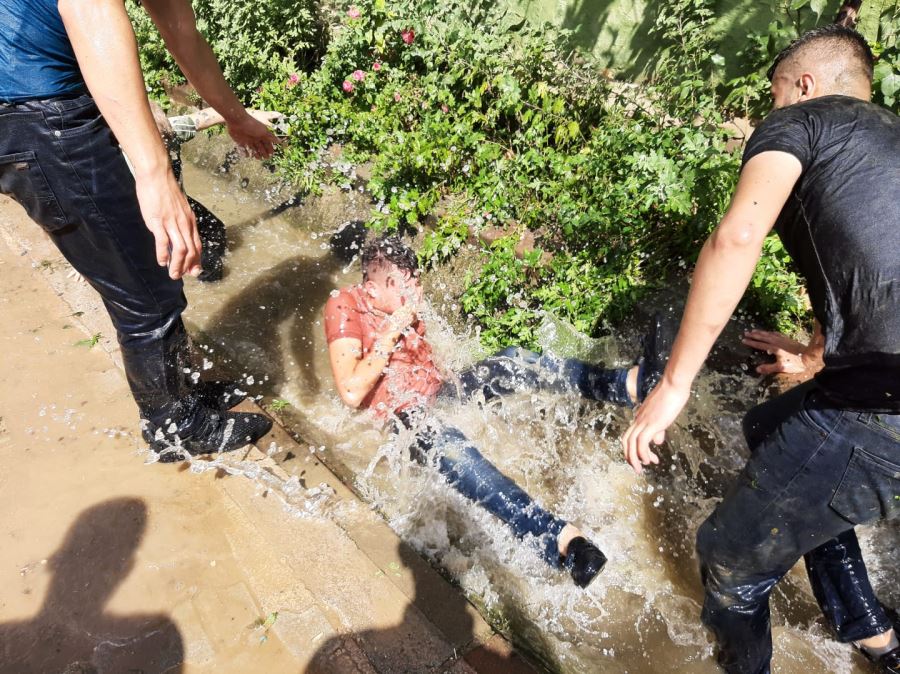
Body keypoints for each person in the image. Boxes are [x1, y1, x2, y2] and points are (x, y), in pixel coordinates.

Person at [621, 25, 899, 674]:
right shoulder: (884, 141)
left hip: (882, 408)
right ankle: (871, 632)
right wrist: (814, 355)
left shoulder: (801, 121)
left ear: (802, 85)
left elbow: (738, 236)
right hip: (881, 386)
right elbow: (869, 269)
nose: (769, 115)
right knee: (768, 426)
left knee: (726, 557)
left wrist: (674, 384)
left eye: (775, 97)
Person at [0, 0, 279, 461]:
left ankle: (181, 395)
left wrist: (235, 116)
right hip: (41, 118)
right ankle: (174, 427)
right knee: (144, 289)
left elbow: (183, 35)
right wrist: (155, 176)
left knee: (143, 266)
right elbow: (87, 11)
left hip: (42, 114)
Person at [325, 235, 667, 588]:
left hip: (436, 397)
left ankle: (628, 384)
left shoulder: (403, 300)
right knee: (448, 445)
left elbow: (428, 364)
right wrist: (397, 323)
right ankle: (561, 541)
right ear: (381, 285)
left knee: (511, 362)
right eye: (409, 287)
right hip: (401, 421)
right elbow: (351, 392)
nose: (417, 295)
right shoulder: (345, 305)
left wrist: (468, 381)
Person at [146, 101, 282, 282]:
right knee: (190, 257)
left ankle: (209, 269)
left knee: (215, 229)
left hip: (179, 198)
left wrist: (252, 114)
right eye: (161, 142)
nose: (167, 143)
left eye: (168, 139)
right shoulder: (121, 159)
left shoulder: (173, 129)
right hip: (152, 212)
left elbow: (211, 116)